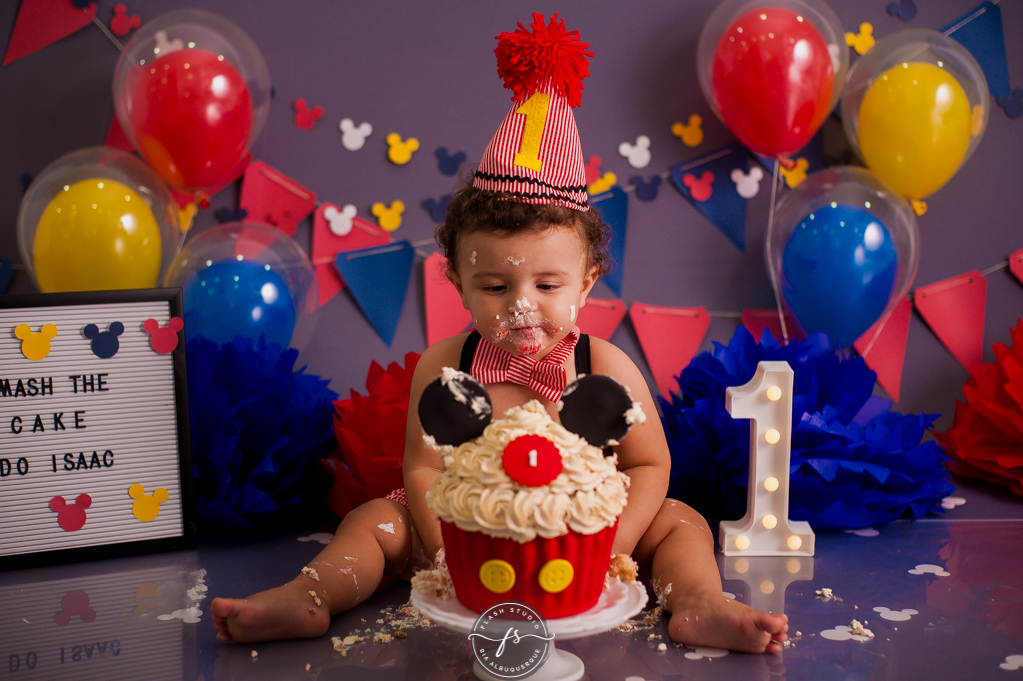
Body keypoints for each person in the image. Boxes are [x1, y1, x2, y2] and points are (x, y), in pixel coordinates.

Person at [211, 12, 788, 653]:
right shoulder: (446, 368)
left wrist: (610, 548)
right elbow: (425, 470)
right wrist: (446, 551)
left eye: (547, 286)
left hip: (585, 536)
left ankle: (699, 602)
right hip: (463, 535)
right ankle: (312, 593)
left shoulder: (604, 368)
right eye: (495, 287)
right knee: (373, 521)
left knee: (682, 523)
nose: (522, 307)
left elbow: (651, 463)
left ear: (589, 281)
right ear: (455, 281)